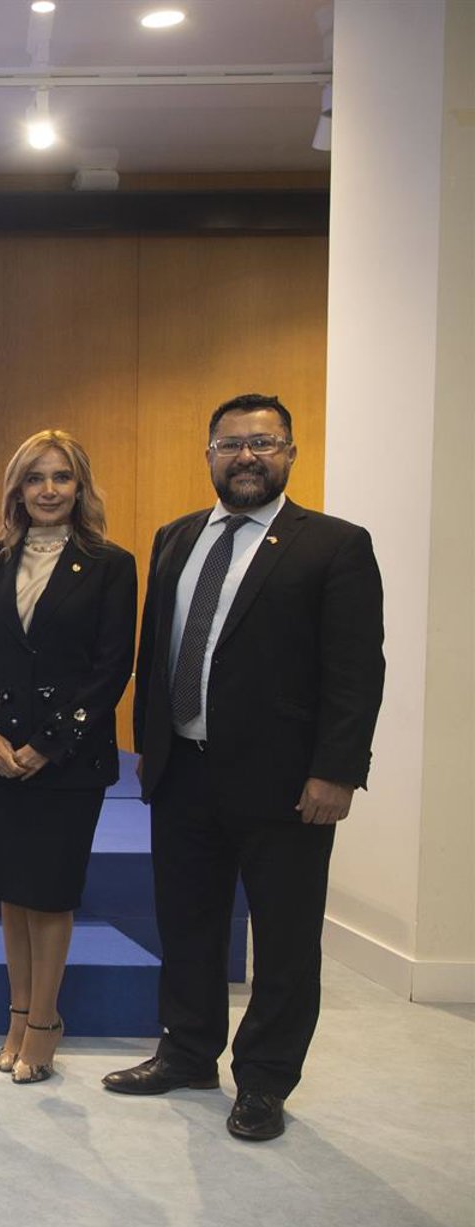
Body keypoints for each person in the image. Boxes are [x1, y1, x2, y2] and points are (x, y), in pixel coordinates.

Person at [105, 394, 384, 1141]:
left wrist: (337, 771)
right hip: (183, 774)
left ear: (290, 452)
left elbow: (357, 672)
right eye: (231, 444)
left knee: (284, 941)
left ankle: (263, 1080)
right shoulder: (177, 537)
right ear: (209, 456)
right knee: (188, 924)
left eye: (263, 442)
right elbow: (157, 652)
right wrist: (151, 748)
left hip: (287, 786)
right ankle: (188, 1051)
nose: (247, 456)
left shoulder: (334, 545)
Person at [0, 431, 137, 1084]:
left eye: (61, 477)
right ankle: (17, 1012)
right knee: (11, 892)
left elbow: (110, 668)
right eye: (35, 478)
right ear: (17, 488)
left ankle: (44, 1020)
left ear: (80, 486)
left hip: (68, 760)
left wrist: (47, 744)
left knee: (50, 893)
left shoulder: (111, 563)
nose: (48, 490)